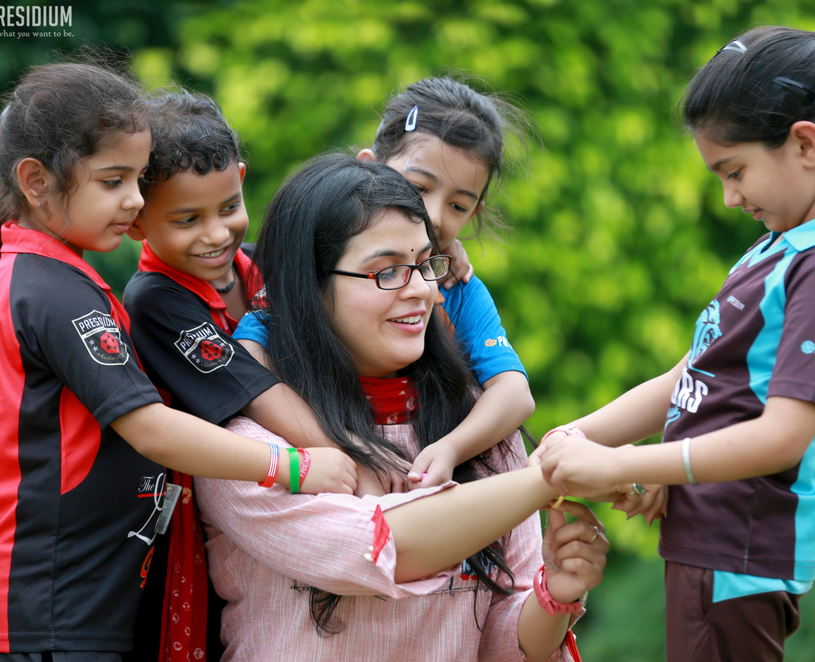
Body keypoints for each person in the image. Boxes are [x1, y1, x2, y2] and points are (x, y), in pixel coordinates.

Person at [534, 22, 815, 661]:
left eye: (735, 171)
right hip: (712, 548)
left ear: (805, 144)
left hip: (739, 557)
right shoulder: (778, 250)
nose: (728, 197)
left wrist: (624, 464)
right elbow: (687, 379)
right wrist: (577, 437)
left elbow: (782, 436)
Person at [0, 61, 355, 661]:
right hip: (55, 605)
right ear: (37, 181)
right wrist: (294, 468)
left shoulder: (51, 277)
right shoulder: (54, 290)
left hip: (75, 600)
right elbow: (150, 427)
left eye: (139, 180)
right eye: (114, 181)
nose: (134, 201)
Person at [196, 154, 607, 661]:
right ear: (310, 286)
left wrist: (558, 593)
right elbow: (385, 550)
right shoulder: (246, 448)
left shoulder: (476, 423)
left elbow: (503, 640)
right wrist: (551, 476)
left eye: (425, 263)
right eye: (387, 271)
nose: (420, 290)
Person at [122, 90, 355, 661]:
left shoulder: (256, 265)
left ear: (243, 178)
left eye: (228, 207)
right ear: (136, 220)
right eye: (186, 219)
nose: (215, 234)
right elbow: (258, 394)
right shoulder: (156, 298)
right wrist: (354, 460)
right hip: (212, 505)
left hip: (299, 489)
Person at [235, 76, 535, 490]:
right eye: (418, 187)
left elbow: (515, 394)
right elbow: (249, 360)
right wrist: (348, 449)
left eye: (458, 205)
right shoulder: (315, 262)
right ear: (368, 166)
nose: (432, 214)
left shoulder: (457, 287)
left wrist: (451, 448)